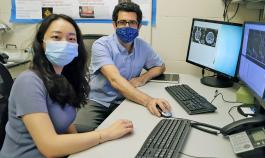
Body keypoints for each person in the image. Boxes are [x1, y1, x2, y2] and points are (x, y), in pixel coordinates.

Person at [0, 14, 133, 158]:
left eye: (71, 39)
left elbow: (66, 124)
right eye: (56, 37)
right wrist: (104, 134)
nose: (65, 43)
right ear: (42, 42)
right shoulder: (28, 82)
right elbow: (49, 147)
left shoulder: (63, 78)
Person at [74, 2, 171, 133]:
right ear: (114, 24)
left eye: (132, 22)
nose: (127, 26)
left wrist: (143, 78)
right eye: (122, 22)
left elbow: (160, 66)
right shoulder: (101, 45)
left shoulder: (143, 46)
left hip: (126, 100)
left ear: (139, 26)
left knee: (138, 132)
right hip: (97, 100)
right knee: (81, 131)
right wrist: (148, 101)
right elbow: (115, 80)